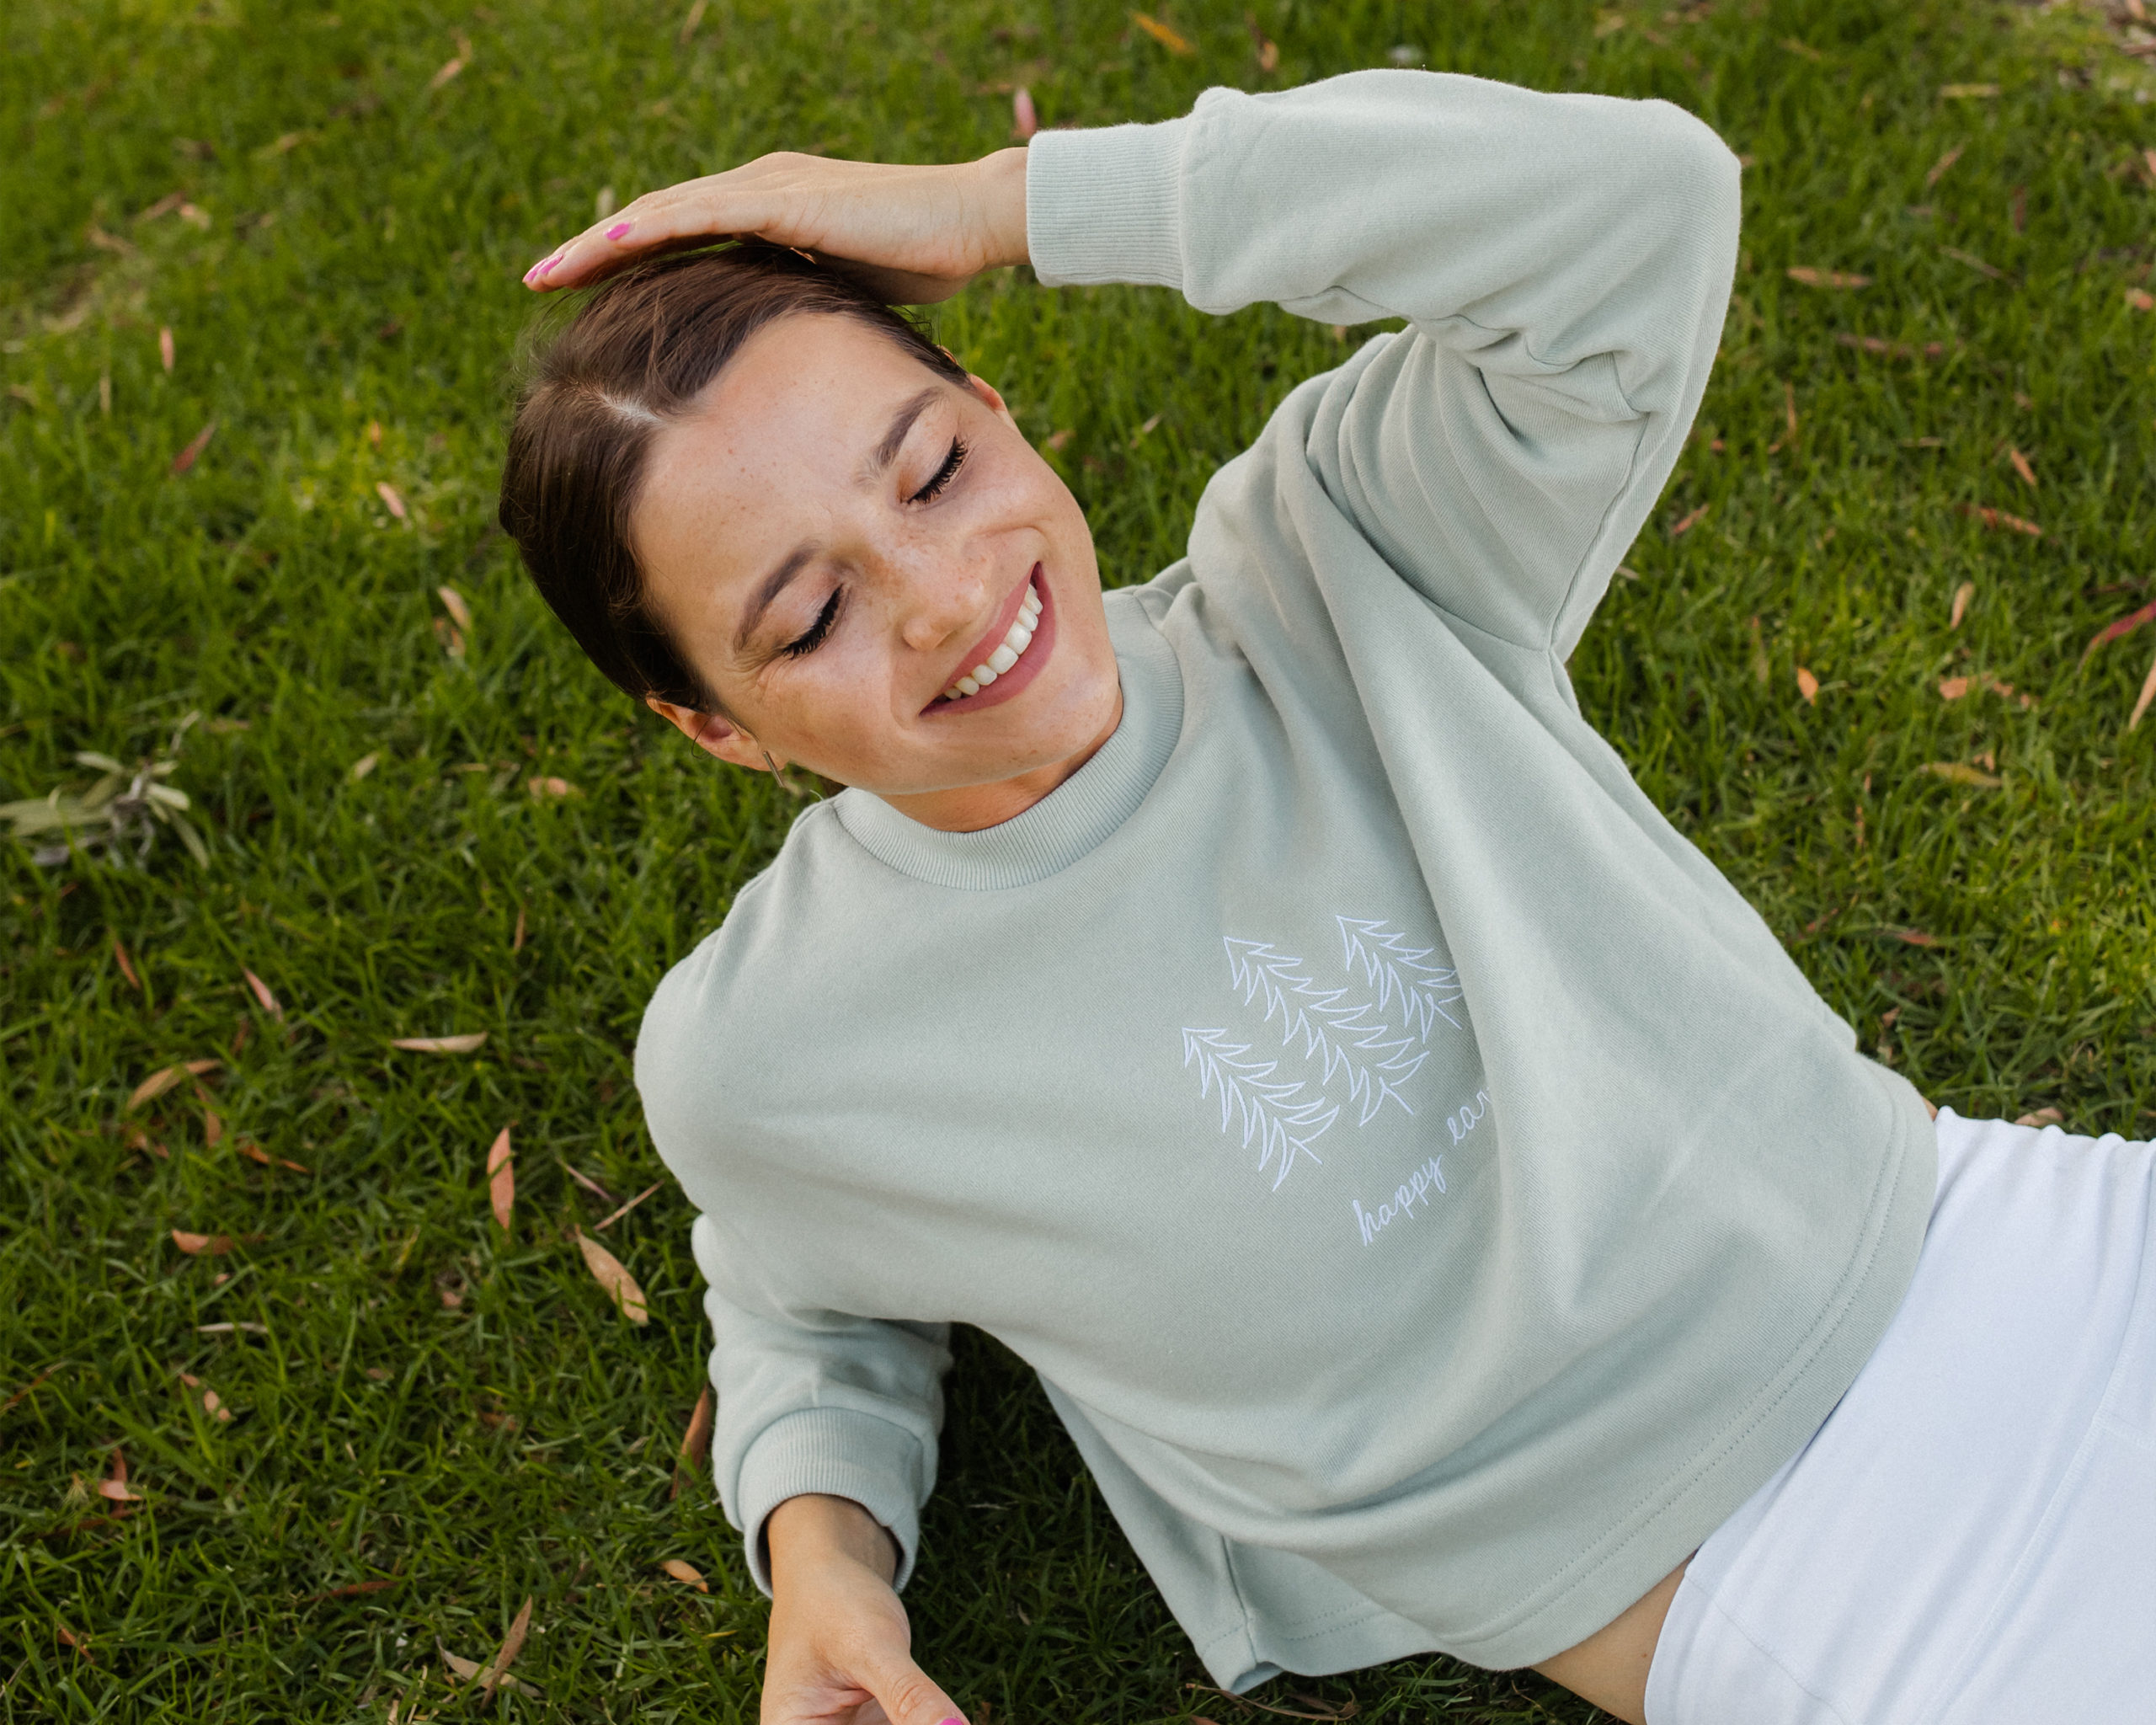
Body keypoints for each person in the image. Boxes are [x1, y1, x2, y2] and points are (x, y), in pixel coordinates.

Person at [499, 70, 2156, 1725]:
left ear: (997, 409)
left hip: (2011, 1243)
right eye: (807, 619)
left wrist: (1012, 205)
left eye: (929, 470)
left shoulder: (1336, 554)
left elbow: (1638, 204)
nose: (940, 600)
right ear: (713, 726)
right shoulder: (773, 1048)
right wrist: (826, 1555)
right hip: (1815, 1595)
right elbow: (796, 1280)